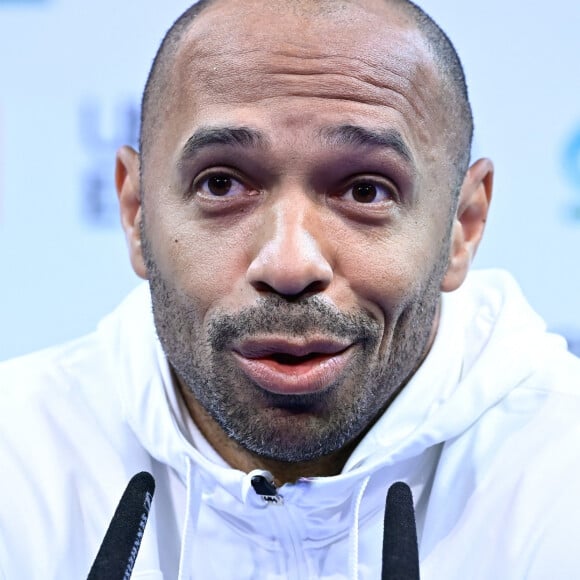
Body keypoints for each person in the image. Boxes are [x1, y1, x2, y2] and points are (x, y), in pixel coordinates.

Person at [2, 0, 580, 578]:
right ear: (135, 212)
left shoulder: (561, 482)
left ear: (462, 226)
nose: (288, 264)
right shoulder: (17, 462)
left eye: (365, 192)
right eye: (222, 183)